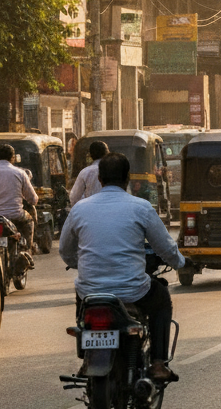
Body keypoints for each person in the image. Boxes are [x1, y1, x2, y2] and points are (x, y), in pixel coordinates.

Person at [59, 153, 186, 381]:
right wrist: (179, 262)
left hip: (90, 293)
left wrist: (80, 264)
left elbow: (65, 251)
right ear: (127, 178)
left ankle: (87, 358)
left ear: (99, 178)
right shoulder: (141, 207)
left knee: (82, 302)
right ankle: (158, 363)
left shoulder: (80, 209)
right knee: (161, 298)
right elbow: (165, 247)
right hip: (132, 292)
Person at [0, 143, 38, 265]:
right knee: (29, 220)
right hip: (15, 216)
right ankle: (27, 251)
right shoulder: (20, 173)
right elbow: (33, 199)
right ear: (13, 157)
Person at [69, 139, 108, 205]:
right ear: (107, 153)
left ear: (90, 155)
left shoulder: (85, 172)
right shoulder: (115, 170)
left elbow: (74, 198)